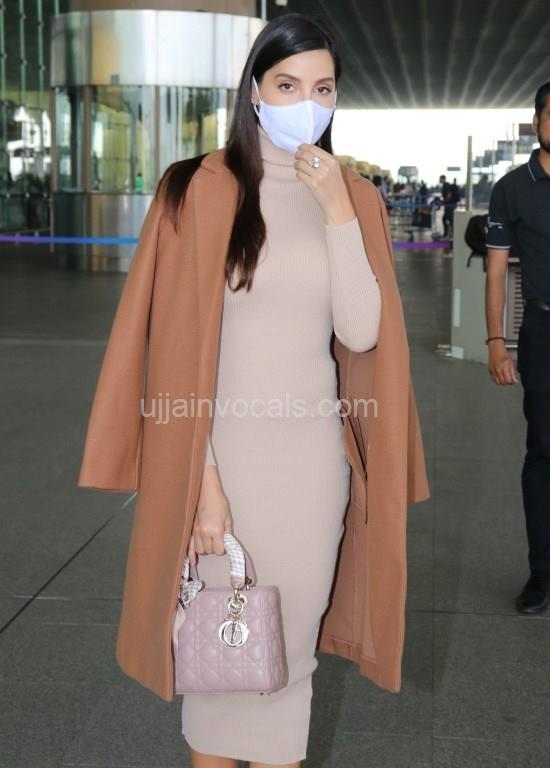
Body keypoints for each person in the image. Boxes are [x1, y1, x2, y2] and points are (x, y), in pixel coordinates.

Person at [77, 12, 429, 768]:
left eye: (323, 88)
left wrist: (337, 212)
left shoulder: (355, 197)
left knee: (288, 666)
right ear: (255, 92)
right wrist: (204, 487)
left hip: (313, 472)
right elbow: (170, 355)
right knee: (224, 671)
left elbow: (362, 331)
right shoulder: (196, 190)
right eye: (288, 84)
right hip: (222, 469)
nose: (307, 102)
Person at [485, 77, 550, 616]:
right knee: (542, 454)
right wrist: (496, 341)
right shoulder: (513, 188)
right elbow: (495, 273)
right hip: (544, 334)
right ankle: (541, 574)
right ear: (537, 121)